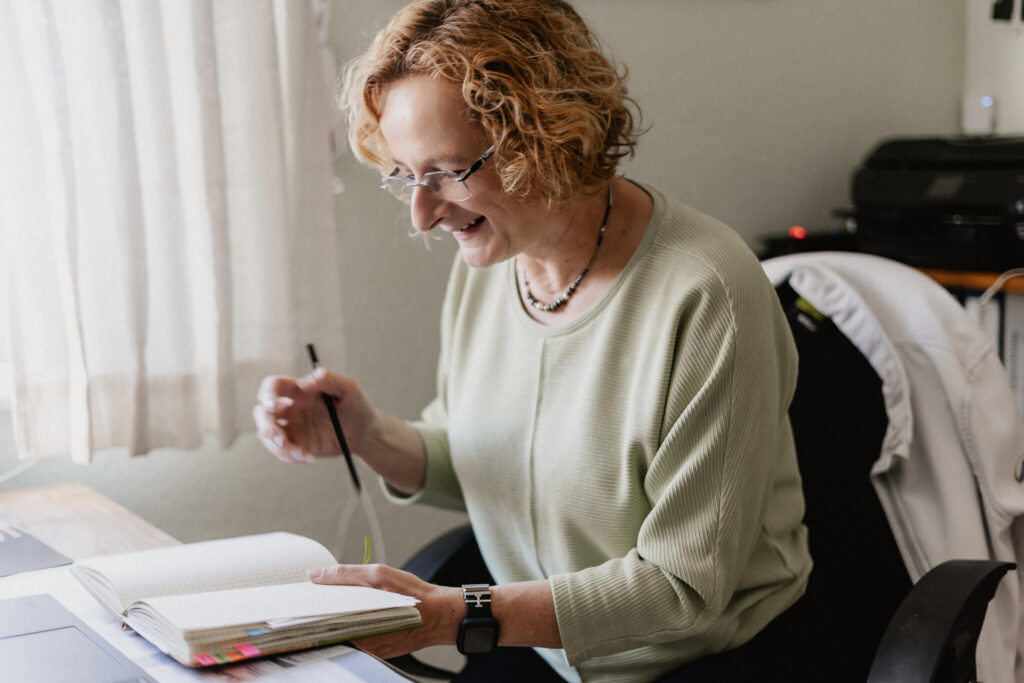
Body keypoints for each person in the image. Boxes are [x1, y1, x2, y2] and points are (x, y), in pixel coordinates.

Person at [253, 1, 811, 680]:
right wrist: (364, 432)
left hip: (692, 657)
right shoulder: (493, 264)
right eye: (406, 176)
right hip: (543, 646)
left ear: (545, 135)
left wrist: (455, 613)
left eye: (448, 172)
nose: (424, 215)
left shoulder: (708, 296)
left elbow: (683, 589)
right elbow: (486, 462)